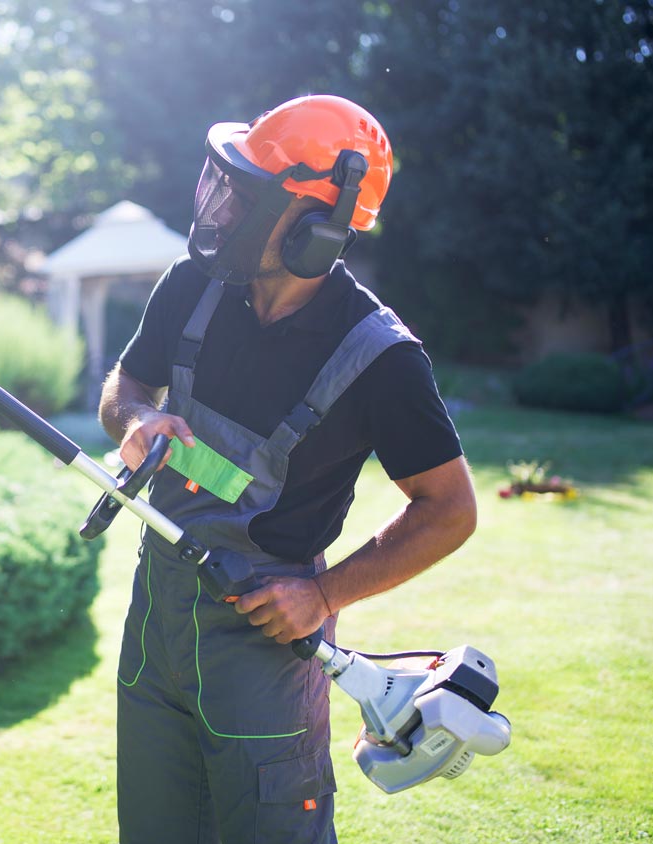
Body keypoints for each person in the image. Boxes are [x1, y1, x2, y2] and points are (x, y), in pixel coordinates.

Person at [98, 94, 477, 843]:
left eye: (243, 195)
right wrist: (137, 420)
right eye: (224, 184)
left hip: (265, 645)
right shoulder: (191, 283)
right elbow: (126, 385)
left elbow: (450, 509)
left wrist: (324, 592)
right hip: (155, 622)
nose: (219, 206)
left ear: (315, 228)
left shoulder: (383, 358)